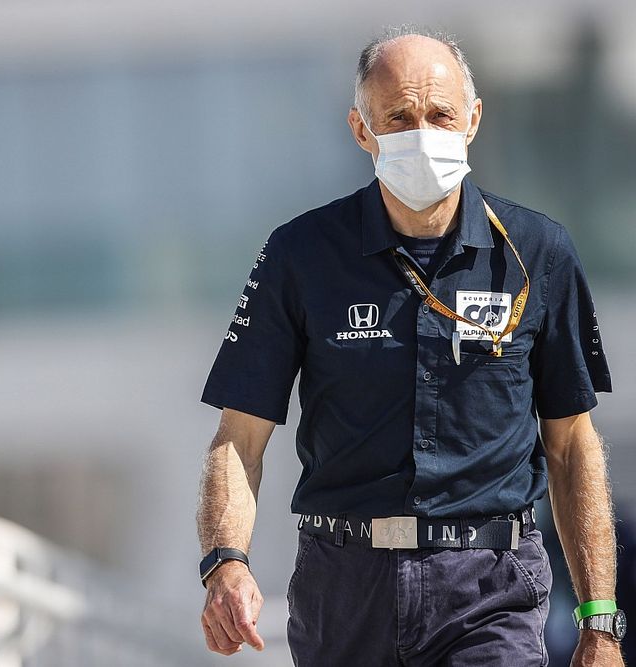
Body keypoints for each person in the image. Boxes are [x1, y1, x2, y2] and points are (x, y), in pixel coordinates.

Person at [195, 25, 625, 666]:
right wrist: (225, 562)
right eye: (398, 117)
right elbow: (239, 438)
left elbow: (571, 447)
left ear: (473, 119)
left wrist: (600, 620)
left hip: (490, 587)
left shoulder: (539, 254)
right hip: (343, 588)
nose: (422, 133)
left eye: (440, 114)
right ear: (361, 129)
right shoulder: (302, 255)